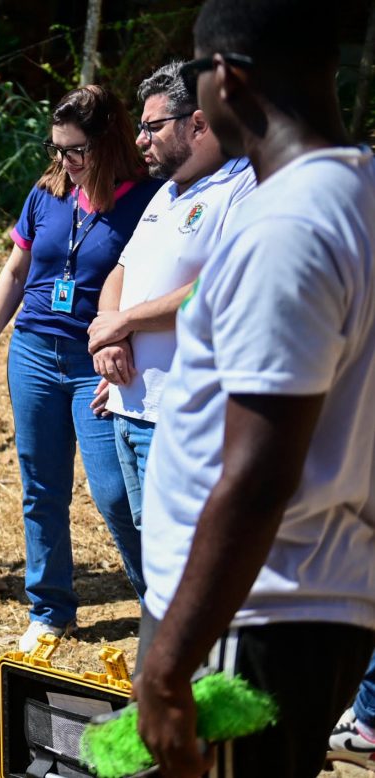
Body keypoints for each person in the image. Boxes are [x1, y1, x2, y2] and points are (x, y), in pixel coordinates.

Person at [132, 1, 375, 776]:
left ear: (226, 78)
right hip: (310, 599)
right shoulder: (358, 196)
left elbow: (259, 473)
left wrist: (169, 663)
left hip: (252, 613)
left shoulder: (287, 229)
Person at [0, 85, 161, 653]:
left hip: (95, 363)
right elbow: (15, 271)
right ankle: (50, 609)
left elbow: (151, 286)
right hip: (32, 351)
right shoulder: (47, 192)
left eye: (77, 150)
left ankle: (163, 606)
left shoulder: (148, 200)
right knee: (42, 488)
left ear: (109, 142)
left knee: (115, 494)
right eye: (57, 148)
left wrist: (119, 349)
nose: (66, 160)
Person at [86, 61, 256, 528]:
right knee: (146, 546)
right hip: (128, 405)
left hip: (185, 418)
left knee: (181, 552)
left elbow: (223, 289)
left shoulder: (245, 186)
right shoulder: (166, 192)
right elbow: (121, 271)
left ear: (198, 123)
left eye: (152, 127)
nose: (141, 140)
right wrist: (110, 338)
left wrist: (126, 321)